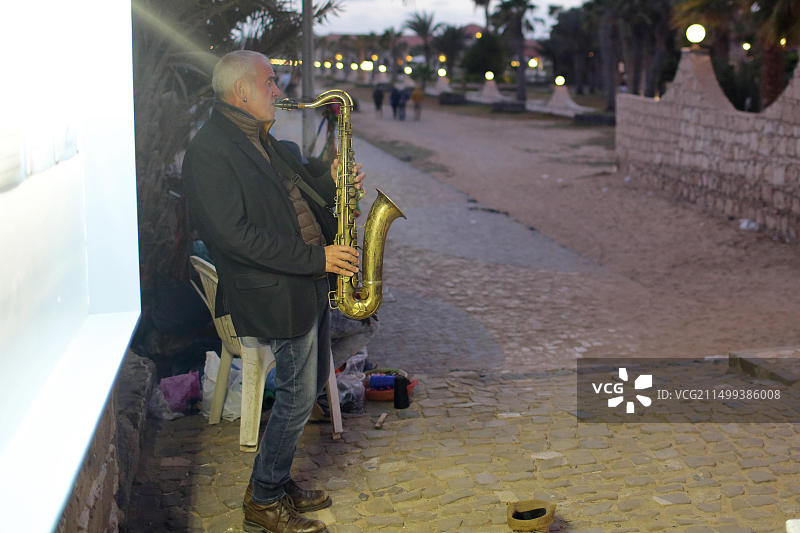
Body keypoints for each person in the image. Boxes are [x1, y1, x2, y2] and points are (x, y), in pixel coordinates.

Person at [182, 50, 365, 533]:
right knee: (297, 399)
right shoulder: (211, 152)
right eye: (270, 82)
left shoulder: (267, 144)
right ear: (242, 91)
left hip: (305, 282)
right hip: (276, 290)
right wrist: (316, 259)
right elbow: (234, 236)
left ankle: (277, 481)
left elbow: (304, 201)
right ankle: (263, 498)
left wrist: (336, 183)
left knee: (301, 394)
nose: (279, 91)